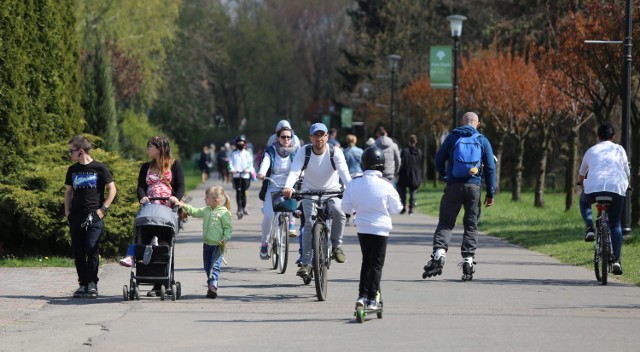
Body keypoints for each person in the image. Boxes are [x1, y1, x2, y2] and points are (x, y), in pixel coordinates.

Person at [423, 112, 496, 279]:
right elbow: (491, 167)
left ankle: (440, 253)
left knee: (446, 223)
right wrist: (491, 192)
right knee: (471, 225)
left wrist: (445, 176)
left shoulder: (452, 137)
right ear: (477, 124)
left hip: (453, 185)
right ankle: (468, 260)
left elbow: (439, 160)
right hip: (474, 187)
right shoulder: (482, 140)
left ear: (462, 122)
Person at [281, 123, 352, 278]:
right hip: (309, 193)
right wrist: (288, 187)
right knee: (309, 224)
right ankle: (306, 263)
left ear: (327, 136)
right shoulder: (304, 152)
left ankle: (336, 246)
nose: (319, 138)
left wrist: (351, 189)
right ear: (311, 137)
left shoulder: (335, 152)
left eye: (322, 135)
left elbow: (344, 173)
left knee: (340, 213)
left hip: (332, 192)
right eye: (316, 135)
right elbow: (294, 171)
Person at [120, 136, 185, 296]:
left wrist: (177, 198)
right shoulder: (145, 167)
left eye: (150, 146)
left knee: (164, 243)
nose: (148, 149)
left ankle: (159, 283)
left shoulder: (174, 165)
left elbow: (181, 185)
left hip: (166, 211)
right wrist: (142, 197)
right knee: (146, 240)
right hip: (149, 210)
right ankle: (143, 273)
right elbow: (141, 186)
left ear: (160, 148)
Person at [341, 147, 403, 310]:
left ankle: (362, 295)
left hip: (362, 227)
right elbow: (397, 208)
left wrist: (356, 208)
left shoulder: (354, 183)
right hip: (381, 229)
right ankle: (371, 299)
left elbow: (346, 207)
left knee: (366, 261)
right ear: (381, 164)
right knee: (376, 264)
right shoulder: (386, 185)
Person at [64, 135, 117, 299]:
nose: (69, 154)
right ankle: (83, 284)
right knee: (78, 251)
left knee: (91, 248)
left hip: (94, 215)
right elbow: (68, 192)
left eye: (71, 151)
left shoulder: (99, 168)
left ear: (81, 151)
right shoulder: (72, 170)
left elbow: (112, 189)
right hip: (76, 216)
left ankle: (92, 283)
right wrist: (67, 211)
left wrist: (103, 209)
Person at [577, 122, 630, 275]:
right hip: (616, 188)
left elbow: (581, 174)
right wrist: (628, 185)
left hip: (593, 189)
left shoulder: (591, 150)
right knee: (615, 224)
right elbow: (627, 172)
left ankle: (589, 228)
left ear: (598, 136)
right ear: (613, 137)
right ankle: (617, 260)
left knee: (584, 201)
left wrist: (581, 182)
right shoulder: (620, 150)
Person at [177, 185, 232, 298]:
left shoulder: (223, 212)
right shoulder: (206, 210)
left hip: (218, 245)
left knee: (214, 266)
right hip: (207, 245)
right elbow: (195, 211)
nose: (204, 199)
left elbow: (228, 227)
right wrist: (183, 205)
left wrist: (225, 237)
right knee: (207, 267)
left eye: (207, 197)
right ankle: (210, 285)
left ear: (215, 200)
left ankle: (213, 286)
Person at [257, 125, 299, 259]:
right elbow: (266, 162)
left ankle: (291, 223)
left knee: (291, 209)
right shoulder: (272, 150)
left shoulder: (295, 152)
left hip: (288, 186)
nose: (286, 139)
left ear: (291, 138)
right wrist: (262, 172)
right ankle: (264, 244)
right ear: (278, 138)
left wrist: (303, 174)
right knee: (269, 216)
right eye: (283, 137)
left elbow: (299, 166)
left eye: (288, 137)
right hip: (272, 186)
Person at [228, 135, 254, 218]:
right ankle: (239, 209)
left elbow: (250, 163)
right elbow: (230, 163)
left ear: (244, 144)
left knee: (243, 192)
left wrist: (247, 169)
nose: (240, 144)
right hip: (236, 175)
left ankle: (243, 207)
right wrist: (232, 169)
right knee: (238, 192)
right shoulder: (233, 153)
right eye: (239, 143)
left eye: (242, 143)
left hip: (245, 175)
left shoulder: (247, 153)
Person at [397, 134, 423, 215]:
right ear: (416, 141)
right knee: (413, 192)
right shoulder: (419, 152)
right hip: (415, 174)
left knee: (402, 191)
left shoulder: (404, 151)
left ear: (409, 141)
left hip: (405, 173)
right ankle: (411, 208)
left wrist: (398, 173)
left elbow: (402, 163)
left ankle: (404, 206)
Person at [342, 134, 363, 226]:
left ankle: (347, 217)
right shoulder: (360, 151)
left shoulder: (344, 151)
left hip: (348, 174)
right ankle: (356, 216)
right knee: (357, 196)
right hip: (358, 173)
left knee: (347, 196)